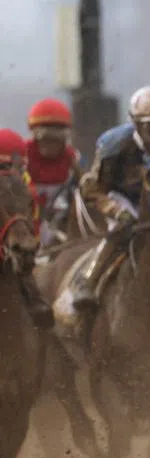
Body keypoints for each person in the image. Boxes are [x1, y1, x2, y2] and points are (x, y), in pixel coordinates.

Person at [73, 86, 150, 310]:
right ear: (137, 124)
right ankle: (88, 279)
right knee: (123, 228)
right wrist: (115, 210)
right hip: (122, 197)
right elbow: (92, 188)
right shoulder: (114, 146)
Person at [0, 129, 53, 328]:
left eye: (15, 167)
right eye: (3, 167)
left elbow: (33, 226)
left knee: (42, 312)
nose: (9, 173)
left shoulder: (26, 187)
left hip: (11, 257)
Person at [24, 98, 80, 237]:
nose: (50, 146)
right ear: (36, 137)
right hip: (26, 219)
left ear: (64, 140)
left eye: (56, 141)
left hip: (59, 222)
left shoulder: (73, 158)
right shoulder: (23, 155)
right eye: (45, 140)